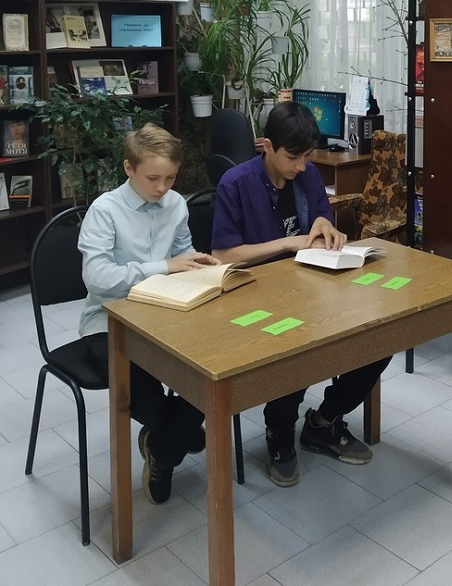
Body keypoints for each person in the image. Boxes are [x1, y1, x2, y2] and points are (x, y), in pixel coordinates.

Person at [212, 101, 391, 488]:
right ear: (267, 146)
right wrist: (288, 243)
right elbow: (222, 255)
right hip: (258, 294)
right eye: (292, 157)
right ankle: (279, 433)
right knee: (295, 351)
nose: (301, 165)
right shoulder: (236, 183)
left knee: (379, 338)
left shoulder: (306, 174)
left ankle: (323, 421)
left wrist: (326, 225)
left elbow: (320, 215)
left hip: (311, 283)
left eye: (307, 156)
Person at [78, 123, 220, 505]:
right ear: (129, 168)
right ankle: (174, 438)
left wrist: (199, 264)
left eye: (170, 178)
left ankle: (163, 447)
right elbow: (98, 278)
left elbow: (182, 252)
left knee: (210, 374)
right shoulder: (105, 211)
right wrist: (163, 266)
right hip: (109, 319)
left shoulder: (175, 204)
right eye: (153, 178)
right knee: (142, 396)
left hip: (166, 311)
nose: (162, 188)